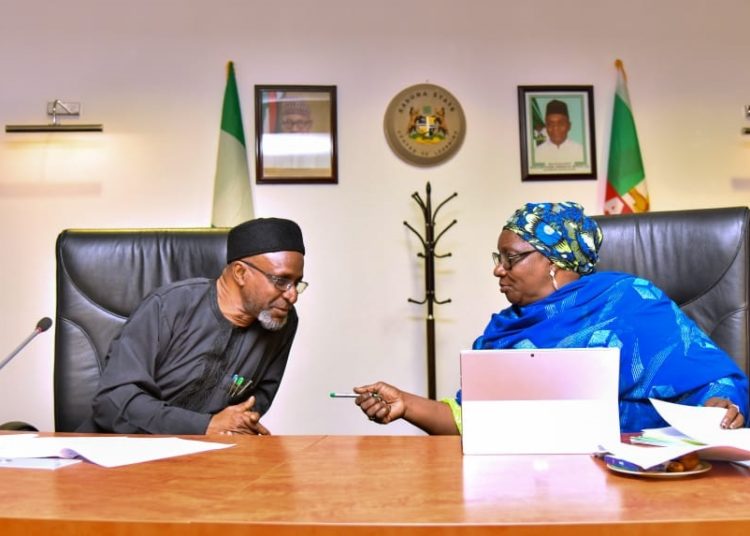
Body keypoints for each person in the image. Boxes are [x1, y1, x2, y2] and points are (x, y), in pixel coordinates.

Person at [354, 202, 749, 435]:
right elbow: (472, 421)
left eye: (511, 258)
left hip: (639, 479)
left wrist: (721, 404)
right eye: (499, 259)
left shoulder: (630, 301)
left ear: (555, 260)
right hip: (528, 483)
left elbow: (714, 382)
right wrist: (405, 405)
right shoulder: (503, 333)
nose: (498, 270)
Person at [77, 217, 307, 436]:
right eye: (281, 280)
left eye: (297, 283)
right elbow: (112, 402)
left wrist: (238, 423)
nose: (292, 295)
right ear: (240, 273)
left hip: (202, 458)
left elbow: (259, 398)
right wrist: (204, 425)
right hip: (112, 453)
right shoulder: (168, 307)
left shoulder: (282, 321)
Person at [534, 100, 585, 165]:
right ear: (546, 127)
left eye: (561, 123)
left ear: (569, 126)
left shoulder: (580, 151)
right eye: (550, 124)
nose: (555, 128)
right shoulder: (537, 153)